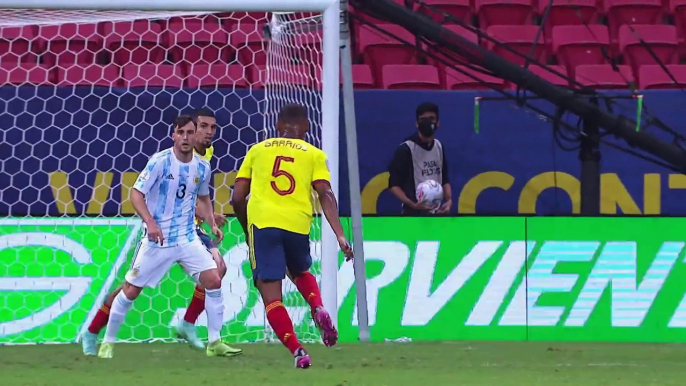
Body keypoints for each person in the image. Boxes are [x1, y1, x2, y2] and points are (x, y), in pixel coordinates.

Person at [81, 110, 241, 356]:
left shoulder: (204, 160)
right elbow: (161, 191)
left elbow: (195, 193)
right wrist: (153, 222)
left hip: (189, 230)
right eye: (203, 127)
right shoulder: (163, 160)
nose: (208, 132)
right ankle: (95, 331)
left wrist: (211, 219)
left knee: (217, 270)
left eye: (212, 128)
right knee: (130, 287)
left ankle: (194, 327)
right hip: (160, 232)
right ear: (181, 132)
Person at [232, 103, 354, 369]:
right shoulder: (314, 154)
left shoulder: (257, 149)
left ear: (277, 127)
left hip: (264, 223)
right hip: (298, 224)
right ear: (307, 127)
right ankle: (318, 306)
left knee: (271, 295)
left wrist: (246, 226)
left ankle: (297, 350)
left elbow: (237, 197)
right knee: (299, 270)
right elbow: (325, 194)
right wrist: (341, 236)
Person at [388, 102, 453, 215]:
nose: (427, 123)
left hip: (438, 213)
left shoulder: (439, 146)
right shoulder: (406, 149)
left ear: (438, 123)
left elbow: (444, 179)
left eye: (431, 119)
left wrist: (449, 200)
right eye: (423, 119)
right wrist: (413, 205)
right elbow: (393, 186)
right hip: (413, 214)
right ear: (417, 124)